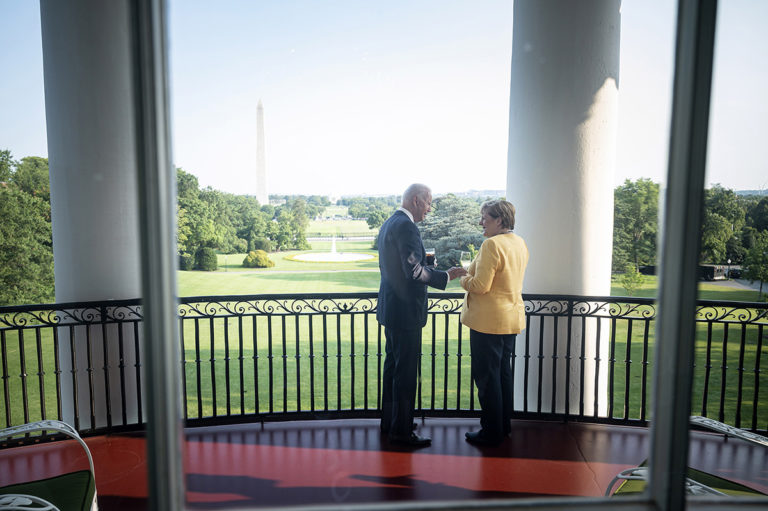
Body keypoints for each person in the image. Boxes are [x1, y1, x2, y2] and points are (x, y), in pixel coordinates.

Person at [377, 183, 466, 447]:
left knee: (393, 368)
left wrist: (425, 264)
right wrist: (446, 276)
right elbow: (414, 273)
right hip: (406, 314)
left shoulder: (389, 223)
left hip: (391, 310)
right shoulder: (407, 226)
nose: (429, 208)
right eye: (428, 202)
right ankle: (402, 433)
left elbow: (403, 266)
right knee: (405, 374)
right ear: (416, 200)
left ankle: (392, 422)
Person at [459, 199, 529, 446]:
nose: (481, 222)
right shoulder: (519, 242)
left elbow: (480, 286)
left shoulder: (491, 245)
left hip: (487, 323)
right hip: (510, 319)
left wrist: (463, 277)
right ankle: (503, 427)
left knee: (488, 380)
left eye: (485, 217)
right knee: (502, 375)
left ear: (499, 220)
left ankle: (490, 432)